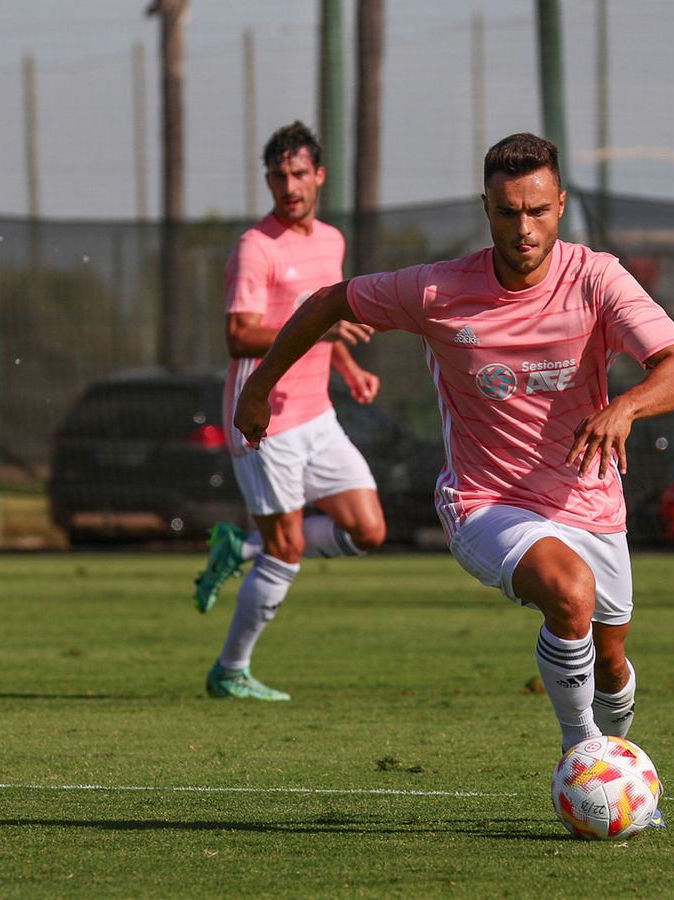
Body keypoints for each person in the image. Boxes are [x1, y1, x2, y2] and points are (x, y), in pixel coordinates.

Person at [234, 133, 674, 765]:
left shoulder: (597, 278)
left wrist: (625, 406)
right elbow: (327, 302)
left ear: (560, 205)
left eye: (537, 210)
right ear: (486, 208)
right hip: (487, 501)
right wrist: (259, 388)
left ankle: (614, 766)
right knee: (569, 592)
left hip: (590, 497)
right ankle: (581, 754)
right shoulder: (438, 289)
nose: (524, 228)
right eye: (508, 212)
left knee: (613, 661)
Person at [193, 121, 388, 701]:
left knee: (368, 529)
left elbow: (326, 321)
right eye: (277, 176)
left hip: (317, 414)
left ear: (319, 175)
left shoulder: (330, 240)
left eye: (298, 173)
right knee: (288, 549)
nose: (288, 186)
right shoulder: (256, 247)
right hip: (263, 420)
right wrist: (322, 331)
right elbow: (240, 335)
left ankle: (242, 546)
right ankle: (231, 669)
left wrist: (348, 368)